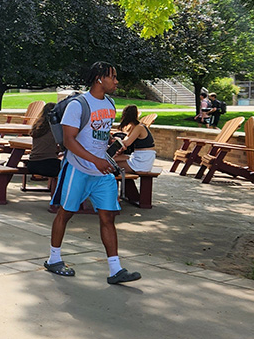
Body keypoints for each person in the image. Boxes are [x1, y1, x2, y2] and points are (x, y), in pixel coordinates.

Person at [45, 61, 141, 285]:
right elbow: (69, 141)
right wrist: (96, 160)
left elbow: (98, 131)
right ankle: (53, 259)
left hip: (101, 172)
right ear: (99, 78)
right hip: (78, 169)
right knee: (65, 213)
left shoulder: (110, 103)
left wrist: (111, 140)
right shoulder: (78, 105)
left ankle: (115, 270)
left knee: (108, 217)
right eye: (113, 77)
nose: (116, 81)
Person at [113, 105, 157, 173]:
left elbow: (127, 143)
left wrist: (117, 140)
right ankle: (128, 183)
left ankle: (127, 183)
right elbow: (125, 141)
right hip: (137, 157)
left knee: (111, 166)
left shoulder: (139, 127)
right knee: (112, 160)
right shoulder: (134, 127)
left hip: (143, 160)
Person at [27, 103, 62, 178]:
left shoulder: (37, 126)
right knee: (68, 168)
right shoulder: (55, 128)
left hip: (32, 164)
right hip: (48, 164)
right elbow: (64, 145)